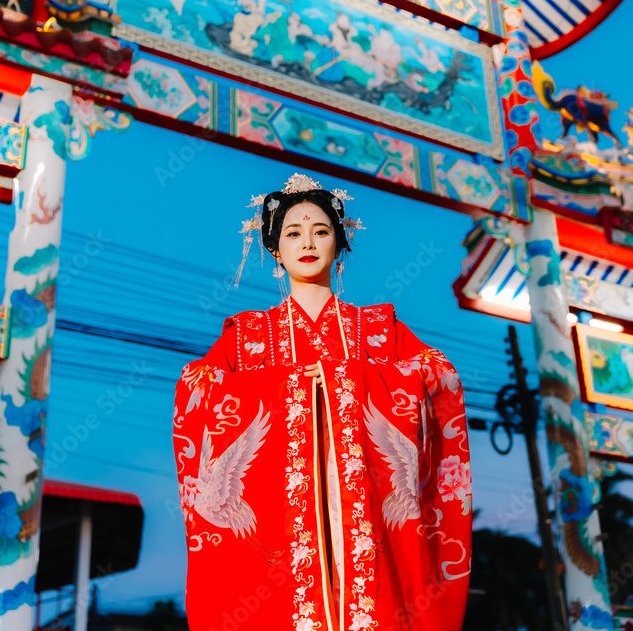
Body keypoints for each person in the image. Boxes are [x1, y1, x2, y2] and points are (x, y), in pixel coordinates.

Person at [173, 172, 472, 631]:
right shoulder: (248, 334)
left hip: (366, 524)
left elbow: (438, 375)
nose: (307, 242)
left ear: (340, 244)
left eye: (321, 231)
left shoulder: (378, 327)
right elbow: (197, 385)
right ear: (274, 249)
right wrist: (287, 386)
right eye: (293, 233)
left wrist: (350, 380)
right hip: (280, 534)